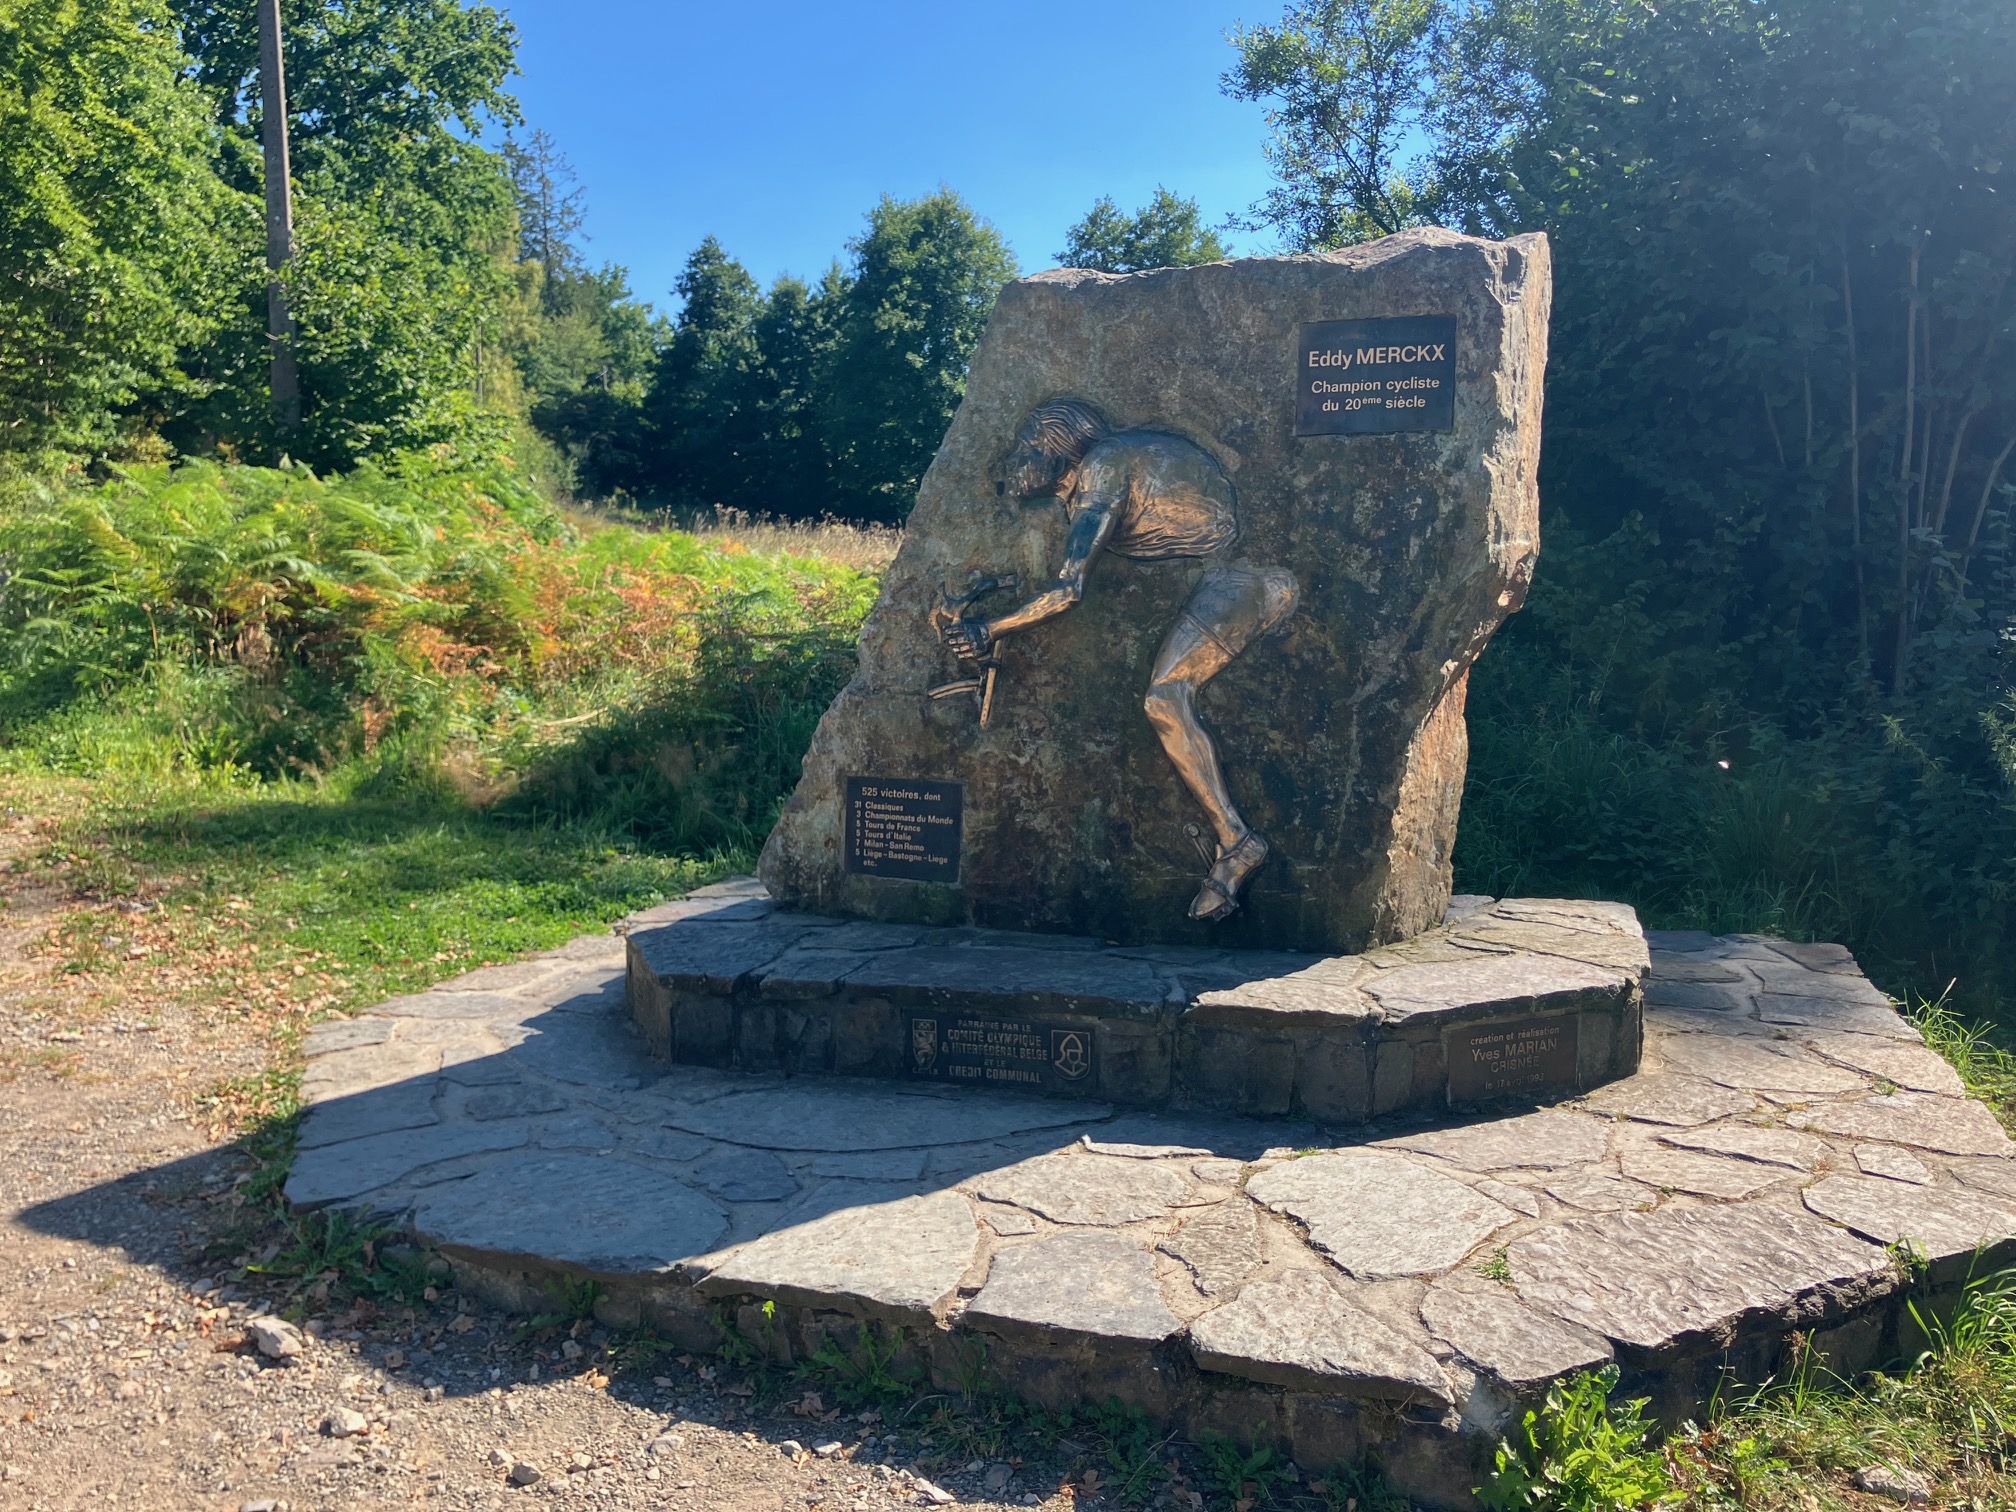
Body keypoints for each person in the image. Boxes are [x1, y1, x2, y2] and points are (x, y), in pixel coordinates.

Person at [942, 399, 1298, 922]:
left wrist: (988, 628)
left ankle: (1238, 840)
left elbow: (1068, 590)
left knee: (1165, 699)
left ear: (1059, 451)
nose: (1014, 460)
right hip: (1221, 577)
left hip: (1250, 580)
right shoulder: (1108, 468)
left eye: (1027, 447)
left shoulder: (1103, 468)